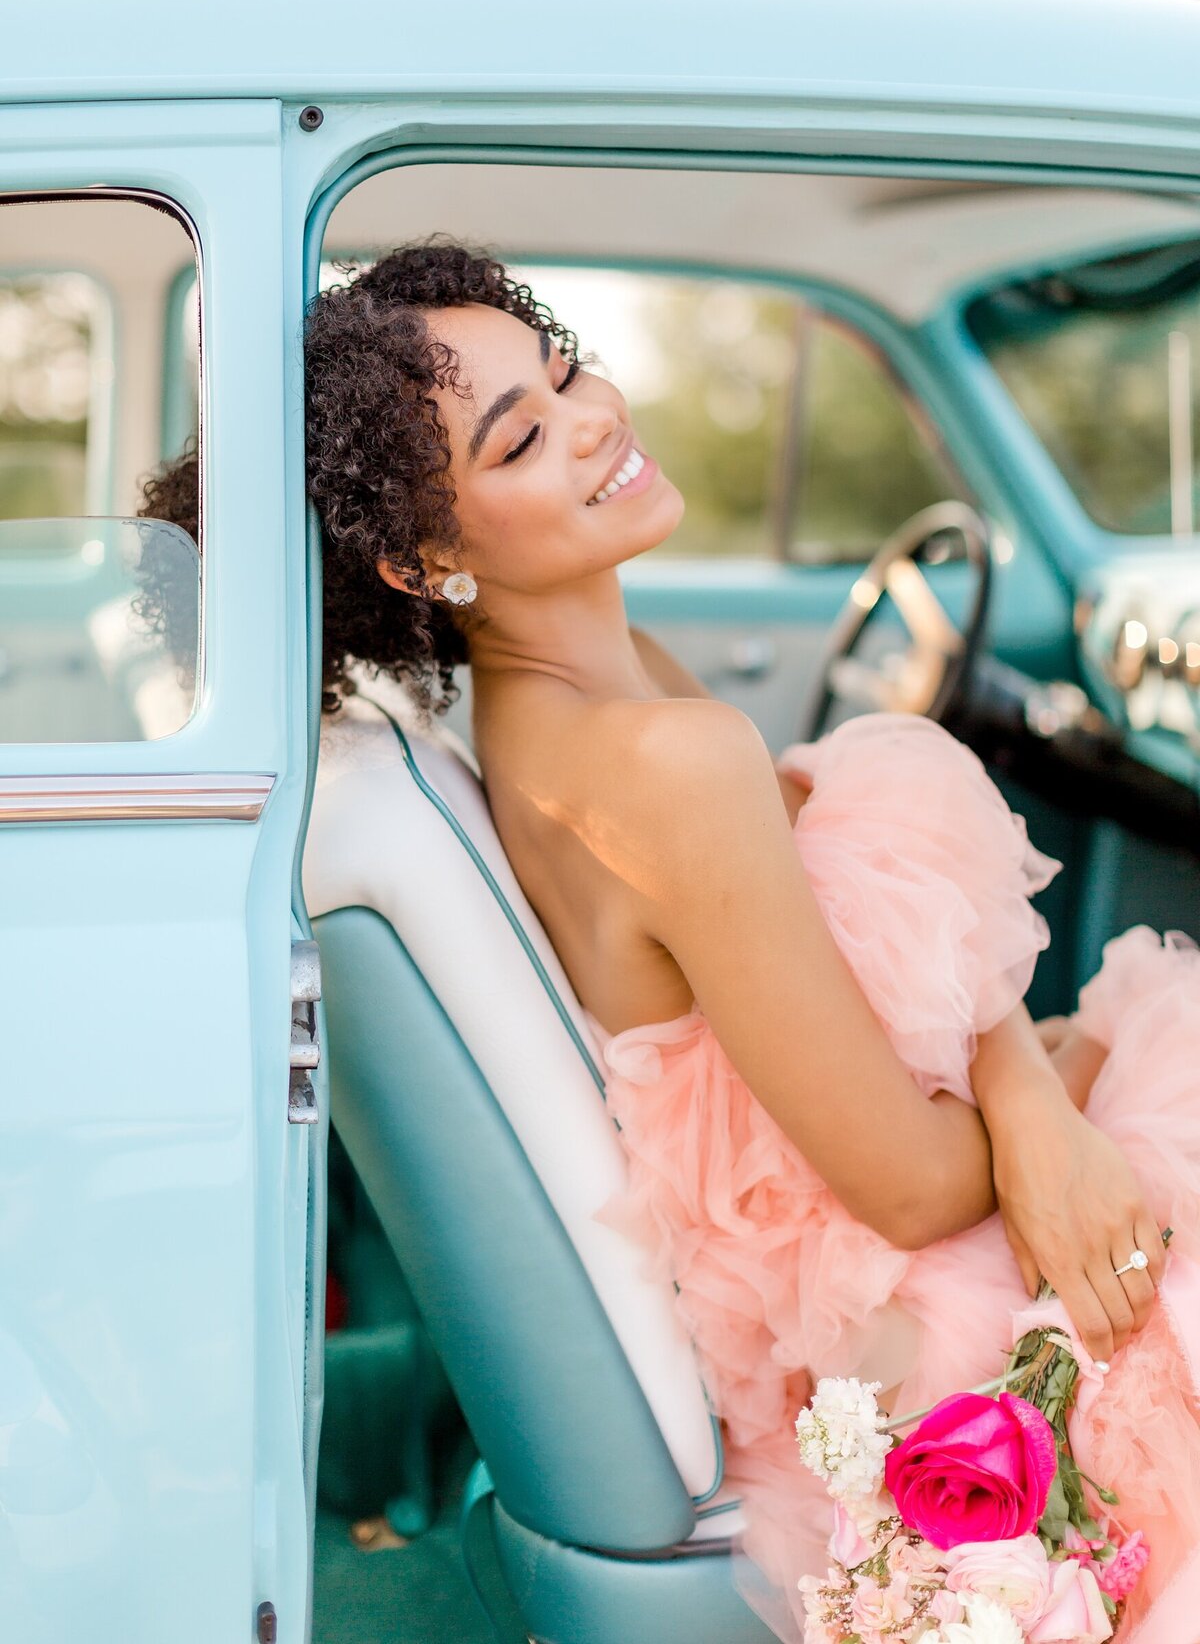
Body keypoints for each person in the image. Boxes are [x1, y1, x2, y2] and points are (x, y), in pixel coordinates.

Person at [141, 239, 1200, 1642]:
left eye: (566, 367)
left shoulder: (579, 698)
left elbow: (841, 885)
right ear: (422, 557)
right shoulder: (657, 761)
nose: (593, 420)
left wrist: (1024, 1078)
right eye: (523, 437)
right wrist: (1051, 1117)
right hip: (897, 1301)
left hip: (867, 1228)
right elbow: (907, 1192)